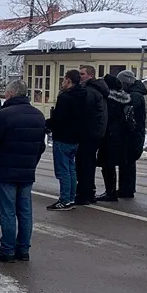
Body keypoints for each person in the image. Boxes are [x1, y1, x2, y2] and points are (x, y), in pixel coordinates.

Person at [0, 79, 46, 263]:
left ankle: (7, 249)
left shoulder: (3, 115)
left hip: (5, 170)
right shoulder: (38, 115)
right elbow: (41, 146)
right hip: (27, 171)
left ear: (10, 94)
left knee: (8, 211)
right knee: (25, 211)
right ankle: (23, 249)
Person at [45, 70, 90, 211]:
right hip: (76, 137)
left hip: (63, 136)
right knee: (71, 169)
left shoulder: (65, 97)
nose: (62, 82)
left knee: (63, 170)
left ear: (69, 81)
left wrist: (47, 124)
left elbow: (59, 118)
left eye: (64, 80)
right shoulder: (83, 95)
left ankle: (64, 199)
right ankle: (70, 198)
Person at [73, 65, 108, 206]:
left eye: (82, 74)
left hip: (89, 133)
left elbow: (83, 113)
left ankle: (84, 193)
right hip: (96, 132)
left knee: (84, 164)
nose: (80, 76)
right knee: (88, 163)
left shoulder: (89, 91)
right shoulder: (98, 90)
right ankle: (88, 191)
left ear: (91, 75)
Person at [95, 74, 134, 202]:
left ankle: (110, 192)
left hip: (110, 136)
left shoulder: (109, 101)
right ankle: (112, 191)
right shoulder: (125, 99)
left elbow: (106, 117)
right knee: (112, 164)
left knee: (107, 165)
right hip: (121, 136)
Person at [110, 70, 147, 199]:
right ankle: (126, 189)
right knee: (126, 163)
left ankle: (126, 190)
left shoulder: (135, 96)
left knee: (127, 162)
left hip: (133, 134)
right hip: (134, 133)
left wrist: (112, 95)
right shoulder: (136, 93)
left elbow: (127, 108)